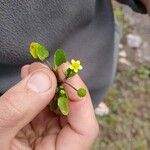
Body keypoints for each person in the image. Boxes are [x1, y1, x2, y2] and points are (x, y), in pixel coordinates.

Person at [0, 0, 149, 149]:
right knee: (68, 111)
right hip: (14, 94)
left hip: (96, 42)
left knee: (82, 103)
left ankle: (94, 104)